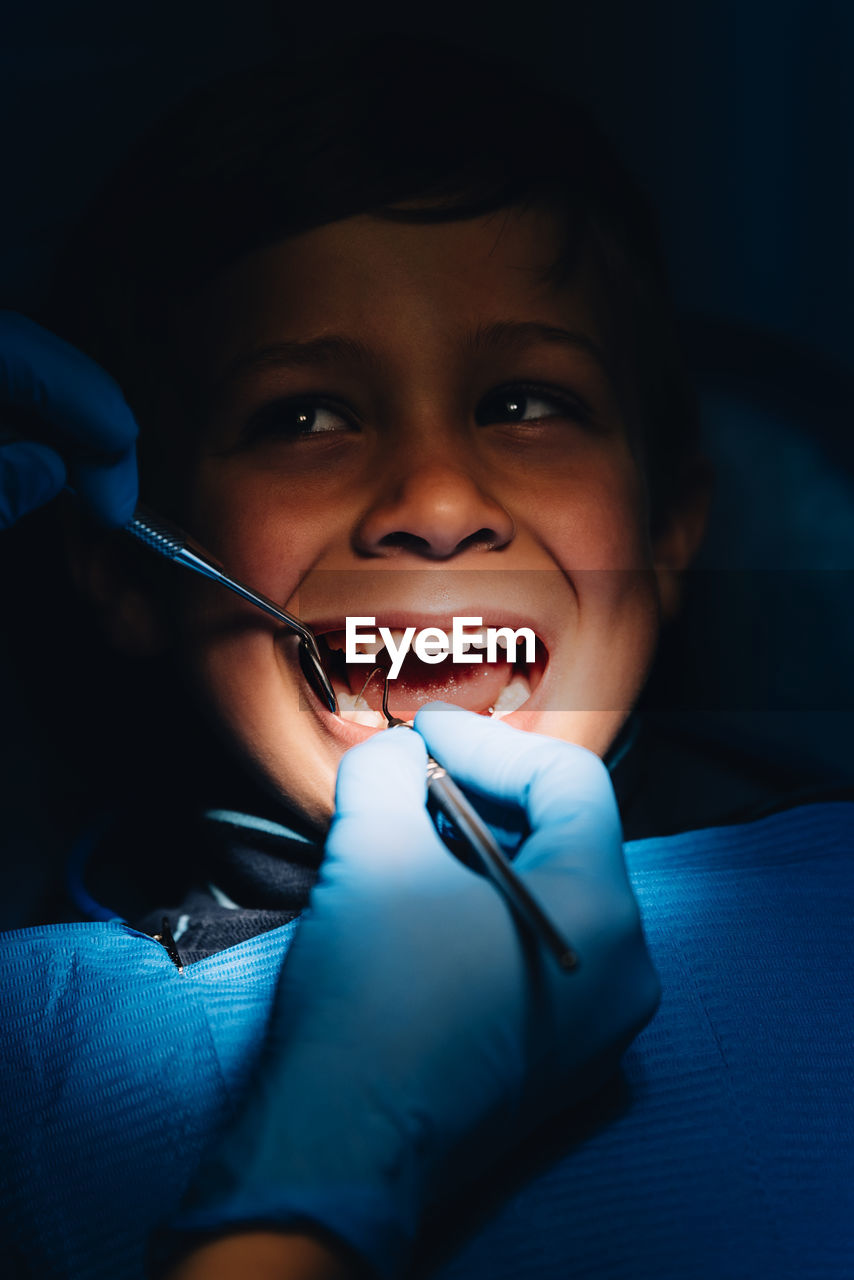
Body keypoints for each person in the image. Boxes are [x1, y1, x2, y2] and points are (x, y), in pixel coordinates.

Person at [1, 33, 852, 1280]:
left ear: (672, 530)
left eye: (523, 401)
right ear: (134, 566)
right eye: (302, 415)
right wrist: (328, 1167)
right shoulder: (35, 1049)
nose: (439, 498)